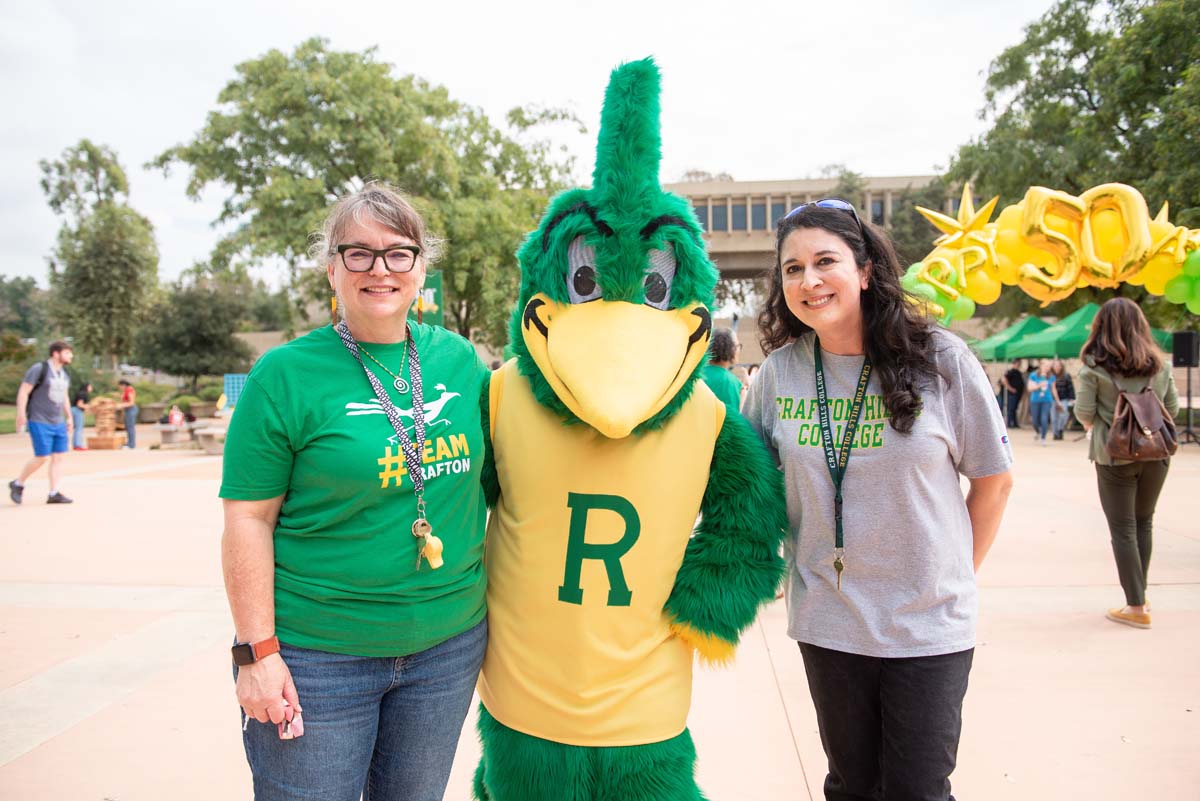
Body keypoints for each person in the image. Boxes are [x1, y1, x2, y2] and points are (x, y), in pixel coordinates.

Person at [219, 182, 490, 801]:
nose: (380, 269)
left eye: (399, 253)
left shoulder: (460, 362)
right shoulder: (283, 375)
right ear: (331, 266)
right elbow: (247, 520)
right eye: (358, 253)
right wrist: (255, 653)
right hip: (318, 660)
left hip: (445, 651)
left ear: (422, 267)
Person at [743, 199, 1013, 801]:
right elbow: (748, 487)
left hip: (927, 627)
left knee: (917, 789)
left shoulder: (940, 359)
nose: (808, 281)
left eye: (824, 261)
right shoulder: (777, 376)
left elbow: (993, 480)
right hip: (829, 624)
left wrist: (955, 578)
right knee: (851, 787)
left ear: (865, 270)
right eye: (791, 269)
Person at [1074, 297, 1178, 630]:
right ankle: (1141, 597)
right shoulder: (1159, 365)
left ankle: (1135, 606)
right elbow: (1172, 409)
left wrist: (1102, 426)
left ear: (1101, 326)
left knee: (1123, 531)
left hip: (1114, 456)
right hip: (1157, 454)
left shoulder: (1093, 365)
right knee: (1144, 523)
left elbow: (1084, 413)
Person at [9, 341, 75, 505]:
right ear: (56, 353)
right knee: (42, 457)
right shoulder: (39, 369)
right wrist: (20, 414)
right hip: (39, 419)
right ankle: (18, 483)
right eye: (67, 353)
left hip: (57, 421)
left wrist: (69, 417)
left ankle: (54, 492)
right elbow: (24, 391)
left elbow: (64, 397)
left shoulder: (64, 374)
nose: (71, 356)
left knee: (58, 457)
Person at [701, 327, 743, 415]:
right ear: (731, 349)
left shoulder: (696, 375)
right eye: (738, 346)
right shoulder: (731, 383)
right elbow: (733, 420)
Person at [1027, 360, 1055, 445]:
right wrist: (1039, 385)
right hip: (1035, 400)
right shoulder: (1033, 375)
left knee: (1044, 418)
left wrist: (1057, 400)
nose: (1047, 368)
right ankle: (1037, 431)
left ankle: (1043, 438)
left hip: (1047, 400)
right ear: (1041, 366)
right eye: (1046, 365)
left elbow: (1053, 389)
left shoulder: (1051, 376)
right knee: (1035, 420)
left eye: (1049, 366)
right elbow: (1029, 388)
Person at [1050, 357, 1076, 440]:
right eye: (1055, 365)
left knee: (1064, 415)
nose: (1057, 367)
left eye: (1058, 365)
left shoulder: (1066, 376)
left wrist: (1072, 398)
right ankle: (1055, 434)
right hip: (1052, 399)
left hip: (1063, 398)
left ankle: (1060, 429)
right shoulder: (1050, 376)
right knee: (1054, 418)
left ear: (1061, 366)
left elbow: (1070, 387)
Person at [1002, 358, 1025, 427]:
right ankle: (1009, 423)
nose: (1020, 364)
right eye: (1019, 363)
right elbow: (1004, 379)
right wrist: (1010, 388)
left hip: (1018, 394)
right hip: (1012, 394)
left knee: (1015, 409)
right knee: (1011, 409)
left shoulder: (1018, 372)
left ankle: (1015, 423)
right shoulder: (1011, 371)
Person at [71, 382, 92, 451]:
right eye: (90, 387)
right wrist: (88, 406)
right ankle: (78, 445)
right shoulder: (83, 394)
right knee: (79, 428)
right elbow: (79, 404)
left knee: (77, 428)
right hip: (77, 410)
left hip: (74, 409)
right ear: (87, 387)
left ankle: (76, 444)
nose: (91, 388)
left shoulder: (80, 393)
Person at [117, 380, 138, 449]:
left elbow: (131, 402)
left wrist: (121, 405)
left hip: (131, 409)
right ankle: (129, 443)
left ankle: (131, 444)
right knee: (128, 427)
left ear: (123, 385)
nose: (120, 388)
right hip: (127, 410)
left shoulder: (129, 390)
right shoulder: (126, 391)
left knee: (130, 427)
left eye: (120, 386)